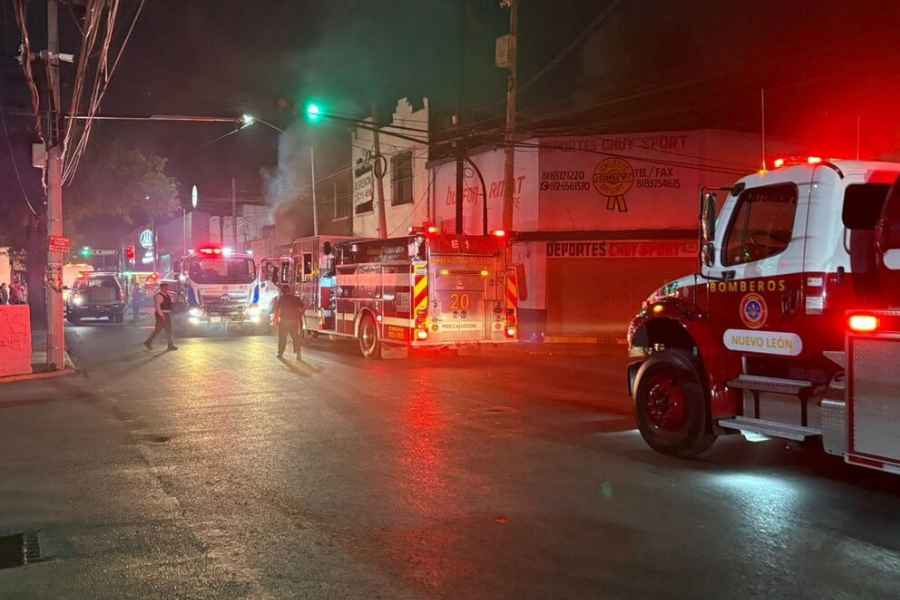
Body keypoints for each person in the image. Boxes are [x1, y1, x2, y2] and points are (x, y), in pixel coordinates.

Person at [144, 282, 178, 351]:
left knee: (168, 330)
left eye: (167, 287)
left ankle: (170, 345)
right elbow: (158, 307)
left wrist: (174, 297)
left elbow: (171, 303)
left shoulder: (167, 295)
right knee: (158, 330)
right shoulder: (158, 296)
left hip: (167, 314)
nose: (167, 288)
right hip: (161, 314)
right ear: (161, 288)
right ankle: (148, 342)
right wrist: (161, 315)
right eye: (165, 287)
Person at [273, 284, 303, 359]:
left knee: (282, 338)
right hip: (294, 321)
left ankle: (280, 353)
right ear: (289, 290)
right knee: (295, 337)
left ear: (282, 291)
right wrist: (300, 314)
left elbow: (277, 310)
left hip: (284, 321)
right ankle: (298, 354)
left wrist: (275, 320)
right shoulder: (296, 298)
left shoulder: (281, 299)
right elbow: (303, 307)